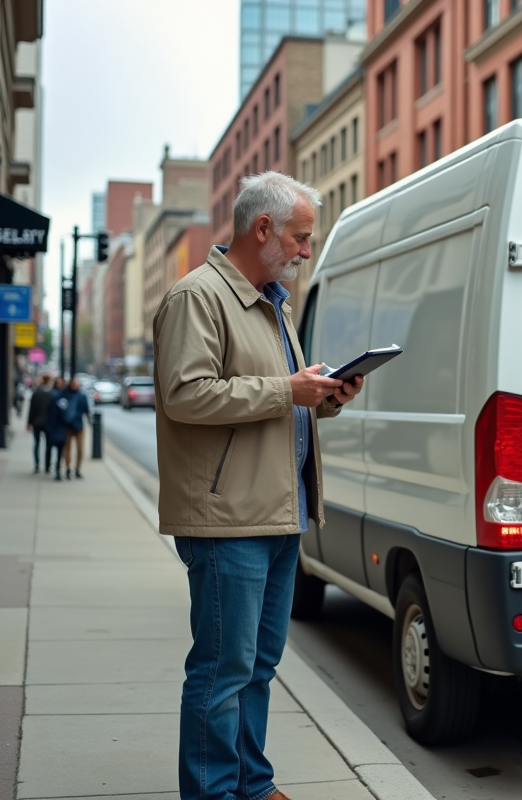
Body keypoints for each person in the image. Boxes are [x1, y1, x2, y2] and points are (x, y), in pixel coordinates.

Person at [153, 171, 362, 800]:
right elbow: (185, 395)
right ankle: (216, 792)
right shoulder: (198, 298)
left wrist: (323, 397)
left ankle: (250, 781)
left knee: (259, 667)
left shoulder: (275, 303)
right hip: (228, 520)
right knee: (222, 671)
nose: (305, 250)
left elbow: (272, 403)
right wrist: (288, 390)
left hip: (277, 513)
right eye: (300, 238)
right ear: (262, 228)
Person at [61, 377, 92, 479]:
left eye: (76, 384)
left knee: (80, 449)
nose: (75, 385)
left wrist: (89, 420)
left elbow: (86, 410)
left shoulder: (82, 396)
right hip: (67, 426)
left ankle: (77, 468)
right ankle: (68, 467)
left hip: (78, 426)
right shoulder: (65, 395)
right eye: (73, 384)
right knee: (67, 448)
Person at [26, 373, 53, 473]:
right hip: (48, 423)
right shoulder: (51, 395)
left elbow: (31, 410)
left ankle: (37, 464)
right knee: (48, 445)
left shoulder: (36, 394)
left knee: (37, 443)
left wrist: (29, 423)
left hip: (36, 422)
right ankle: (47, 466)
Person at [45, 377, 69, 482]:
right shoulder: (56, 398)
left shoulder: (63, 398)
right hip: (55, 426)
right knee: (51, 447)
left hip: (60, 427)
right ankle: (50, 466)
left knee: (59, 449)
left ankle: (57, 469)